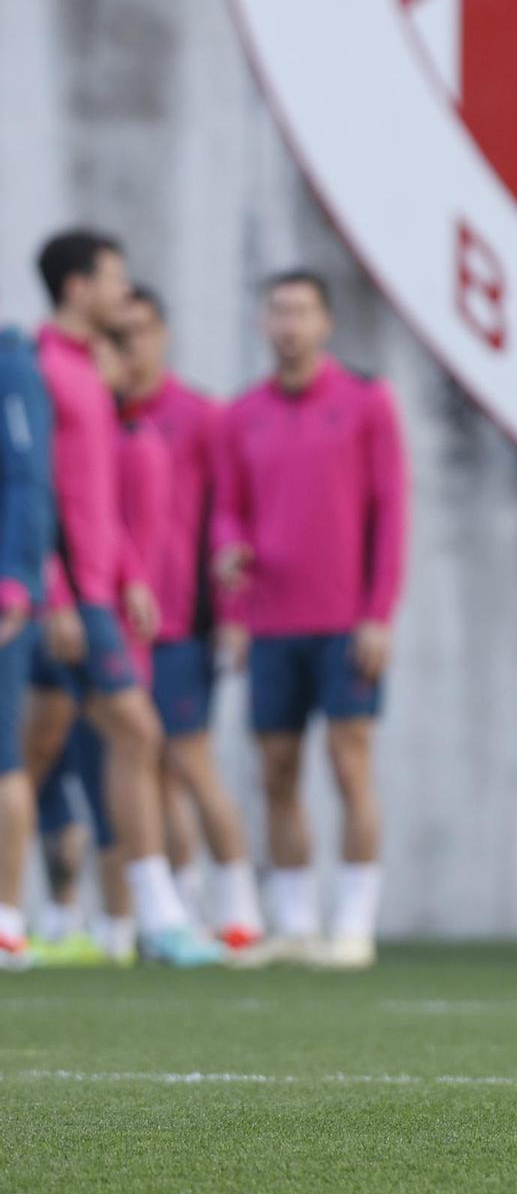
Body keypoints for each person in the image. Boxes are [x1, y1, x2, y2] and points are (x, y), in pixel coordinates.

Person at [23, 230, 224, 967]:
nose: (124, 290)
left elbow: (98, 491)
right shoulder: (40, 369)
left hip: (103, 588)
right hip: (71, 596)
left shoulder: (91, 372)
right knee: (134, 735)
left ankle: (109, 917)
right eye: (114, 278)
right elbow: (31, 492)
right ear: (77, 288)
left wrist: (135, 572)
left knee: (38, 748)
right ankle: (161, 917)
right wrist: (56, 593)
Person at [213, 269, 406, 968]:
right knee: (276, 769)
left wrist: (377, 613)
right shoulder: (243, 414)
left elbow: (391, 515)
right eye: (278, 312)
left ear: (325, 323)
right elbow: (228, 510)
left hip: (345, 622)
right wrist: (232, 579)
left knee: (349, 764)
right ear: (264, 324)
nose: (289, 324)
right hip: (270, 624)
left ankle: (353, 926)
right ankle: (294, 923)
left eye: (301, 310)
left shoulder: (365, 402)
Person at [118, 287, 263, 950]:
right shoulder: (101, 416)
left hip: (182, 621)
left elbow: (230, 512)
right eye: (119, 335)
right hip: (119, 621)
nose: (131, 347)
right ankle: (183, 903)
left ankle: (241, 905)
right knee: (143, 767)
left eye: (142, 331)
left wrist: (232, 612)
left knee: (191, 761)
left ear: (163, 335)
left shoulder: (202, 416)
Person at [0, 321, 55, 968]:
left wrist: (18, 575)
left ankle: (7, 919)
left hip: (4, 598)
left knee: (3, 755)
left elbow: (28, 479)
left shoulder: (11, 366)